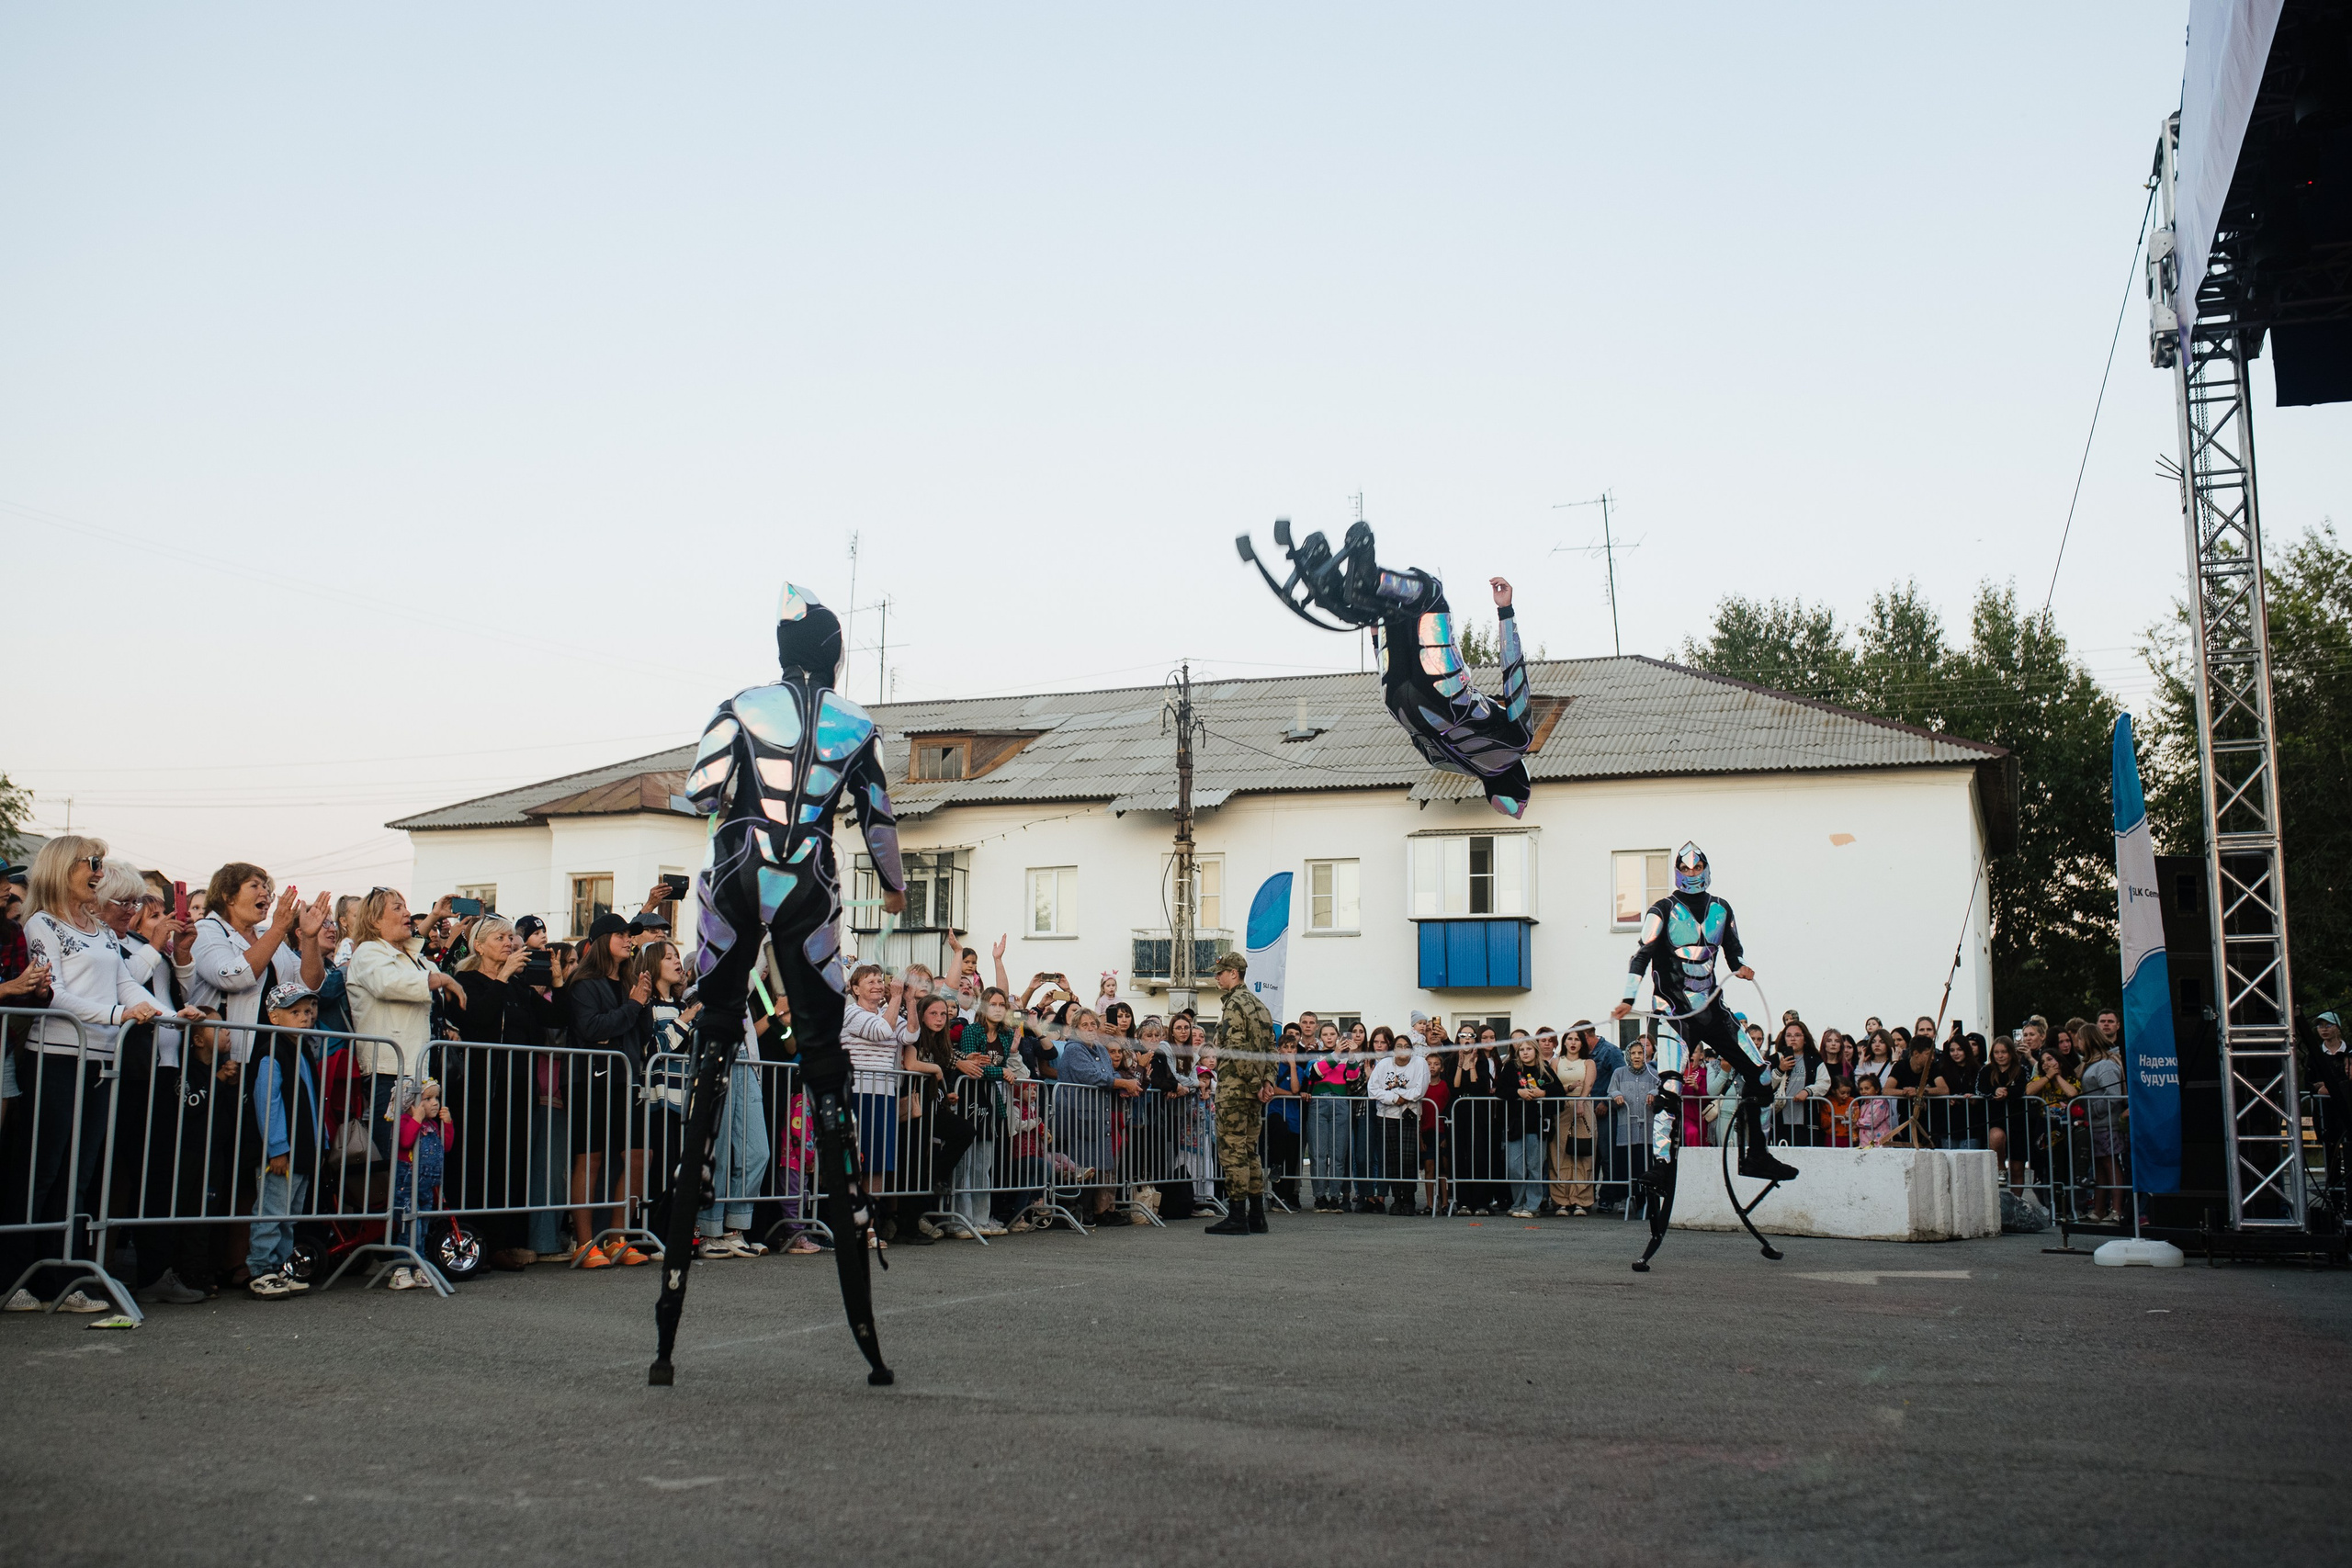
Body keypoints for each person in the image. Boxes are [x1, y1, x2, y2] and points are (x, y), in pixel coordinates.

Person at [2, 838, 199, 1313]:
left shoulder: (98, 928)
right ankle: (15, 1277)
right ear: (62, 868)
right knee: (41, 1171)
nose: (98, 871)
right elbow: (57, 994)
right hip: (56, 1056)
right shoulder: (41, 923)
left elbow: (125, 982)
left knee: (80, 1173)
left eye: (99, 863)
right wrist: (118, 1016)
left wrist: (169, 1013)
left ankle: (62, 1277)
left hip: (99, 1063)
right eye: (90, 864)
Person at [449, 915, 560, 1269]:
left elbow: (559, 1019)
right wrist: (502, 977)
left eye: (511, 938)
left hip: (519, 1086)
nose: (509, 943)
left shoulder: (518, 986)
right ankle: (478, 1240)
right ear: (478, 945)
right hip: (482, 1086)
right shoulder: (466, 980)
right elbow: (478, 1019)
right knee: (483, 1161)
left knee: (513, 1162)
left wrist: (557, 981)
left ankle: (507, 1240)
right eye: (500, 938)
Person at [562, 912, 653, 1268]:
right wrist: (631, 1006)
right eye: (621, 934)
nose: (628, 939)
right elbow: (591, 1028)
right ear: (603, 940)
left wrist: (640, 1003)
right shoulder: (583, 983)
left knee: (637, 1156)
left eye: (629, 935)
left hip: (627, 1077)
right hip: (591, 1080)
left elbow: (637, 1033)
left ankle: (618, 1238)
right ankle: (585, 1244)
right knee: (591, 1158)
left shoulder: (628, 981)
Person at [243, 981, 325, 1299]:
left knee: (289, 1214)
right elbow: (268, 1102)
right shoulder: (272, 1052)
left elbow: (313, 1100)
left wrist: (322, 1141)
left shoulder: (303, 1050)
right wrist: (277, 1148)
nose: (306, 1017)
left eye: (308, 1010)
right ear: (274, 1018)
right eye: (295, 1012)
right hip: (282, 1153)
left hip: (304, 1150)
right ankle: (260, 1268)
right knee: (272, 1210)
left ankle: (279, 1267)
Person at [1204, 952, 1275, 1235]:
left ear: (1234, 973)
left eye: (1220, 973)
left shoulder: (1234, 1005)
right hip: (1253, 1091)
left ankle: (1237, 1216)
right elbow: (1271, 1047)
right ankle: (1256, 1215)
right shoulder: (1259, 1006)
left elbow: (1234, 1049)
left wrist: (1256, 1083)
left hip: (1236, 1089)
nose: (1216, 977)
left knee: (1233, 1152)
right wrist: (1267, 1081)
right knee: (1249, 1151)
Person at [390, 1077, 454, 1291]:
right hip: (407, 1183)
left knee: (423, 1225)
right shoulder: (405, 1122)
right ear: (411, 1104)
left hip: (427, 1184)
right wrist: (416, 1119)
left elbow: (446, 1146)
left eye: (436, 1098)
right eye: (428, 1099)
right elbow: (406, 1141)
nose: (435, 1103)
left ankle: (418, 1265)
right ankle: (400, 1269)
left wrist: (448, 1124)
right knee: (410, 1225)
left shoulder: (433, 1125)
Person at [1494, 1034, 1562, 1217]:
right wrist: (1518, 1092)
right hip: (1516, 1124)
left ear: (1535, 1051)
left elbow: (1559, 1091)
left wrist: (1543, 1092)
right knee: (1514, 1166)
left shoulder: (1544, 1069)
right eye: (1522, 1049)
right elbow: (1500, 1090)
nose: (1525, 1053)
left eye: (1528, 1049)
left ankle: (1532, 1205)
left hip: (1537, 1124)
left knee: (1534, 1166)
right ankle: (1518, 1203)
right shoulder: (1510, 1068)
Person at [1364, 1029, 1427, 1214]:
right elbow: (1373, 1090)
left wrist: (1401, 1097)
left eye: (1407, 1047)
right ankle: (1397, 1199)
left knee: (1408, 1159)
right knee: (1392, 1160)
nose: (1403, 1050)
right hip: (1386, 1116)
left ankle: (1409, 1199)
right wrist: (1393, 1098)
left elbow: (1419, 1090)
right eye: (1399, 1046)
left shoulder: (1420, 1063)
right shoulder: (1384, 1064)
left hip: (1409, 1116)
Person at [1305, 1021, 1362, 1212]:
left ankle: (1335, 1197)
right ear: (1321, 1038)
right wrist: (1337, 1054)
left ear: (1338, 1036)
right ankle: (1319, 1196)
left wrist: (1351, 1055)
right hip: (1319, 1103)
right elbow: (1315, 1073)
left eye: (1332, 1034)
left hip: (1340, 1103)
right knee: (1318, 1153)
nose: (1329, 1038)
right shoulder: (1315, 1055)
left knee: (1338, 1154)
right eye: (1326, 1035)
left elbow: (1353, 1077)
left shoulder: (1345, 1058)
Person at [1547, 1025, 1599, 1214]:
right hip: (1561, 1109)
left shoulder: (1588, 1062)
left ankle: (1581, 1201)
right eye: (1570, 1039)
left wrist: (1581, 1101)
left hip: (1582, 1108)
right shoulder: (1556, 1061)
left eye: (1577, 1039)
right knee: (1559, 1153)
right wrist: (1568, 1089)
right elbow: (1553, 1084)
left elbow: (1589, 1082)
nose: (1573, 1043)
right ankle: (1561, 1201)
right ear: (1564, 1042)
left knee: (1582, 1153)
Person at [2078, 1029, 2127, 1223]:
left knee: (2110, 1164)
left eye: (2080, 1039)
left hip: (2107, 1124)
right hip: (2096, 1125)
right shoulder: (2092, 1064)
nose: (2077, 1043)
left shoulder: (2106, 1065)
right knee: (2099, 1166)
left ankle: (2116, 1210)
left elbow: (2113, 1095)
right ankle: (2098, 1210)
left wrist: (2092, 1110)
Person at [1610, 1038, 1663, 1208]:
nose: (1637, 1056)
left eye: (1640, 1053)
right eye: (1633, 1053)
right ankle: (1627, 1199)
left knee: (1645, 1164)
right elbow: (1611, 1090)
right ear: (1628, 1055)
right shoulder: (1619, 1073)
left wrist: (1655, 1092)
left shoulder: (1654, 1073)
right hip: (1627, 1128)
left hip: (1647, 1128)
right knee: (1626, 1164)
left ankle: (1645, 1202)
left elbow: (1662, 1087)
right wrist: (1616, 1094)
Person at [1981, 1035, 2032, 1190]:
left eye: (2004, 1052)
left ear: (2011, 1053)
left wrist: (2008, 1093)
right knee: (1996, 1136)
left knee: (2017, 1168)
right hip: (1996, 1118)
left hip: (2018, 1121)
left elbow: (2026, 1087)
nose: (2000, 1056)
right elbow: (1980, 1089)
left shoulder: (2021, 1070)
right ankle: (2001, 1168)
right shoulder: (1986, 1070)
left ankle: (2017, 1204)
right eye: (1997, 1052)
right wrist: (1994, 1091)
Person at [1264, 1023, 1307, 1209]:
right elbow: (1273, 1089)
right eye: (1285, 1048)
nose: (1289, 1050)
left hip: (1293, 1117)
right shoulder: (1272, 1068)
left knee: (1292, 1157)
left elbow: (1297, 1088)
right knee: (1278, 1137)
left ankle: (1288, 1197)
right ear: (1278, 1049)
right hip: (1276, 1111)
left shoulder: (1298, 1070)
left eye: (1292, 1048)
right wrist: (1290, 1095)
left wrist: (1291, 1065)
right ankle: (1275, 1191)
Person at [1853, 1074, 1894, 1148]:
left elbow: (1872, 1121)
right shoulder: (1864, 1105)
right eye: (1861, 1089)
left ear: (1877, 1089)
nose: (1863, 1092)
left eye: (1867, 1088)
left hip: (1879, 1143)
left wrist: (1856, 1122)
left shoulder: (1881, 1102)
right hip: (1866, 1143)